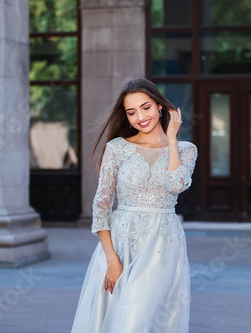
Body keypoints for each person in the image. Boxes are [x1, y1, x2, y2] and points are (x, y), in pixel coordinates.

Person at [71, 78, 197, 332]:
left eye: (146, 107)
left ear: (159, 107)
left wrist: (171, 139)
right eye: (131, 112)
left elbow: (177, 184)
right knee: (119, 319)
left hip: (162, 244)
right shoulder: (117, 148)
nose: (140, 116)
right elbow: (101, 206)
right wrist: (111, 260)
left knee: (140, 320)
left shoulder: (185, 149)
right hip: (120, 243)